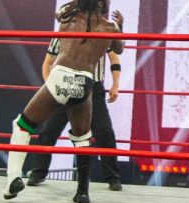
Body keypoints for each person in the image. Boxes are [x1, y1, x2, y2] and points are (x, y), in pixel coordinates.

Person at [3, 0, 124, 203]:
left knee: (23, 125)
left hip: (59, 77)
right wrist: (120, 26)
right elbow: (119, 48)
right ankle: (82, 192)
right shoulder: (110, 28)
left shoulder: (68, 18)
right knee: (82, 138)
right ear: (101, 2)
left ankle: (13, 178)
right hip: (84, 82)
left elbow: (60, 12)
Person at [26, 25, 124, 191]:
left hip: (93, 88)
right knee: (48, 131)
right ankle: (39, 172)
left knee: (104, 133)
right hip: (64, 86)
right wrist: (51, 86)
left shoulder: (103, 30)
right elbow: (48, 62)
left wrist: (115, 84)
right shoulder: (65, 30)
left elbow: (115, 58)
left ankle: (113, 177)